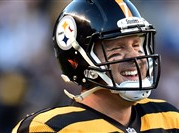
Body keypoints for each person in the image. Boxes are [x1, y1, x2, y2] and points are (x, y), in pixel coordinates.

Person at [12, 0, 179, 132]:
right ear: (81, 59)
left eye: (137, 45)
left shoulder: (168, 117)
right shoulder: (51, 128)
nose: (135, 56)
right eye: (117, 48)